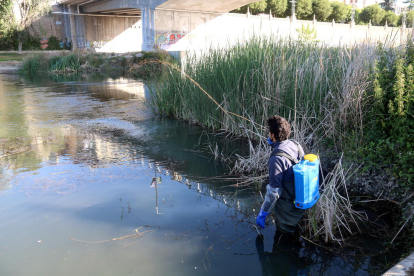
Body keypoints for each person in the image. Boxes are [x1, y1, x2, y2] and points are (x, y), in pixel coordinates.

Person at [256, 115, 305, 241]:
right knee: (295, 231)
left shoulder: (276, 159)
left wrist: (263, 213)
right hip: (299, 200)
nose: (268, 134)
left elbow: (274, 192)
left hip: (288, 207)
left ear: (273, 135)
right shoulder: (295, 144)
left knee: (285, 237)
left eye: (269, 132)